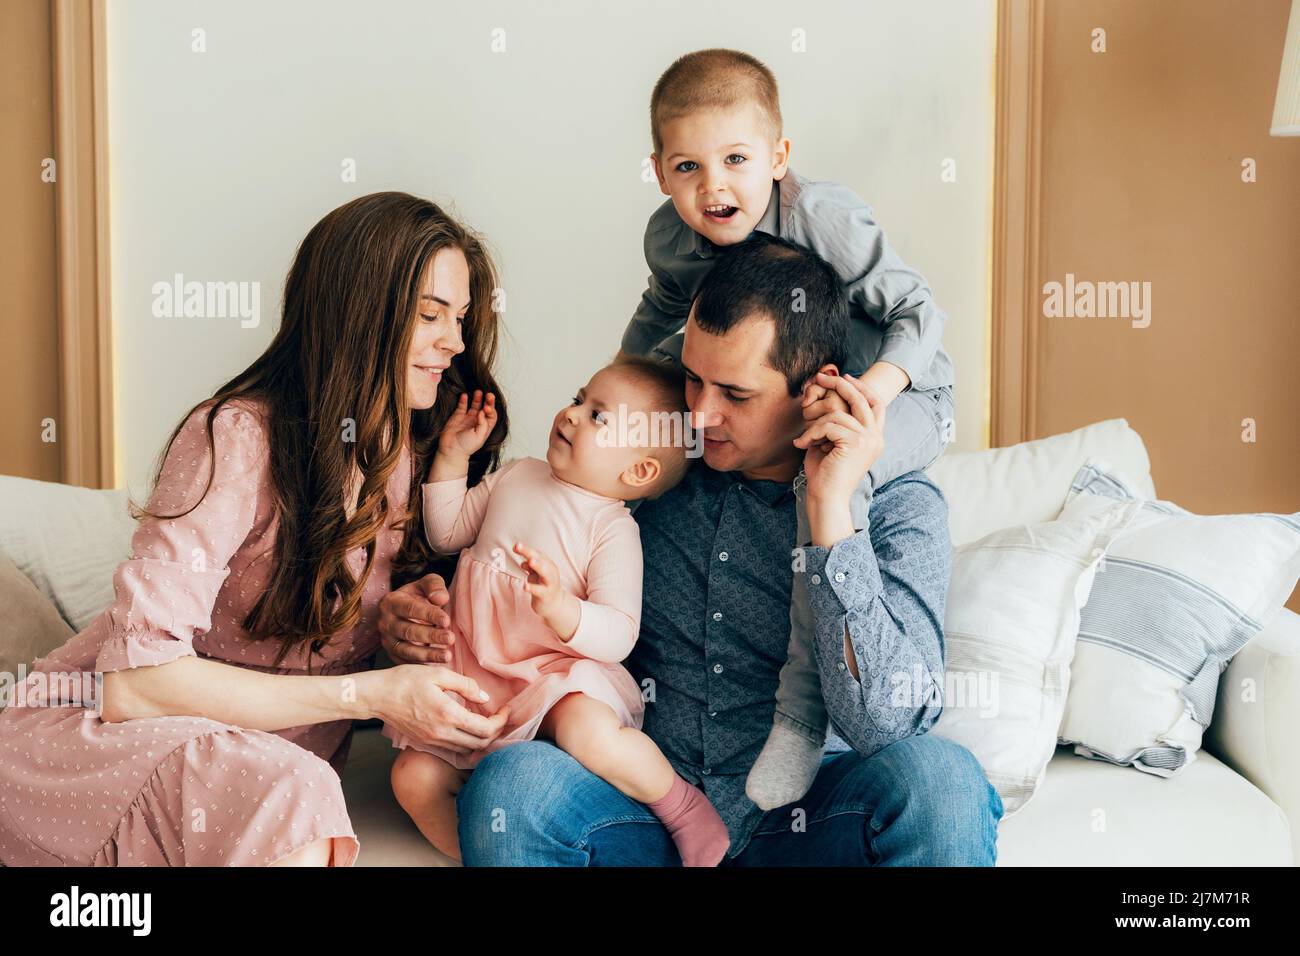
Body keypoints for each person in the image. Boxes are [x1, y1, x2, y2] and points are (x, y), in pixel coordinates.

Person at [382, 235, 1002, 866]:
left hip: (811, 817)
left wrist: (830, 512)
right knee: (514, 787)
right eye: (693, 381)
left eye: (735, 395)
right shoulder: (646, 468)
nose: (699, 416)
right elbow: (502, 550)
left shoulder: (898, 503)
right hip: (646, 812)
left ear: (816, 388)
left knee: (943, 780)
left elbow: (888, 725)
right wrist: (418, 607)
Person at [0, 192, 512, 866]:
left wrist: (394, 623)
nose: (454, 341)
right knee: (294, 790)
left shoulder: (413, 456)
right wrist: (374, 691)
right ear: (360, 314)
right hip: (94, 740)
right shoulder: (236, 438)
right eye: (430, 315)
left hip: (256, 768)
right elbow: (136, 685)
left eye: (462, 318)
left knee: (291, 785)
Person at [617, 48, 958, 808]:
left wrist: (865, 402)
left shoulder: (820, 216)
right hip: (671, 793)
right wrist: (626, 400)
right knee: (521, 786)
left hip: (906, 390)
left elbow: (918, 313)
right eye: (686, 169)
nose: (714, 187)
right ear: (659, 169)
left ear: (778, 157)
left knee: (829, 479)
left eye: (737, 160)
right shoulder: (673, 241)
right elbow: (655, 319)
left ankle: (801, 715)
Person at [385, 359, 730, 866]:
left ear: (638, 470)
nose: (571, 416)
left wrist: (564, 610)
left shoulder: (612, 530)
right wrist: (453, 456)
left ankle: (681, 808)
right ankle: (485, 849)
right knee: (411, 778)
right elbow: (447, 533)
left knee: (587, 732)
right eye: (578, 399)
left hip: (552, 679)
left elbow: (619, 634)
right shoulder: (520, 474)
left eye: (598, 417)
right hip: (477, 674)